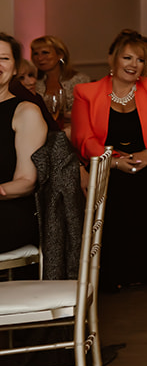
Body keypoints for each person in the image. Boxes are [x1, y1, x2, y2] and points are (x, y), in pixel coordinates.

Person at [71, 31, 147, 289]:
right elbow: (83, 139)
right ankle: (113, 274)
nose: (133, 65)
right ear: (112, 59)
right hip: (108, 162)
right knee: (115, 188)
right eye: (127, 58)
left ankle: (145, 270)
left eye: (140, 60)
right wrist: (114, 161)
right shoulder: (86, 92)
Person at [0, 33, 49, 256]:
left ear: (16, 67)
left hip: (9, 210)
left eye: (4, 58)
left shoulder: (25, 111)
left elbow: (26, 182)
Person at [30, 35, 89, 129]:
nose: (40, 58)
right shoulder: (33, 83)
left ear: (60, 55)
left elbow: (90, 112)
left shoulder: (79, 80)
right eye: (35, 54)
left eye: (45, 52)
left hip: (75, 131)